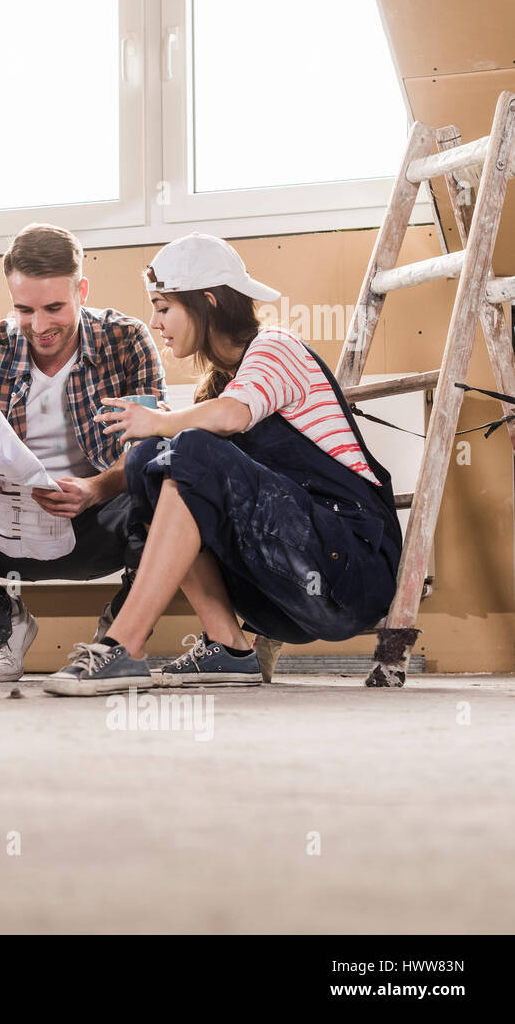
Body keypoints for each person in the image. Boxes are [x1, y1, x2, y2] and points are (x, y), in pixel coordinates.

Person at [42, 233, 403, 697]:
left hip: (351, 567)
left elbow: (232, 417)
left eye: (163, 307)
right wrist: (98, 486)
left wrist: (158, 421)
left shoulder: (275, 347)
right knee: (154, 462)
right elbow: (199, 434)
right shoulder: (218, 390)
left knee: (185, 448)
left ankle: (123, 647)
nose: (154, 322)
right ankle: (229, 646)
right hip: (282, 596)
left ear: (207, 302)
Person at [0, 222, 167, 682]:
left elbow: (150, 445)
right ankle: (4, 630)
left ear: (82, 290)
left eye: (55, 308)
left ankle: (119, 639)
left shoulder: (127, 340)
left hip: (97, 522)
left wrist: (96, 488)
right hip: (2, 529)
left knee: (171, 497)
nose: (40, 326)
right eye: (24, 310)